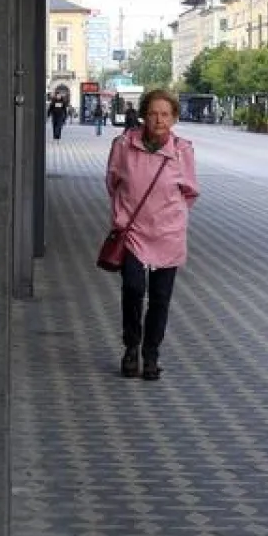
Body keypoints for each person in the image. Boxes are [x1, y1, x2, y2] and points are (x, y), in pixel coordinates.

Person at [105, 88, 200, 381]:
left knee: (160, 297)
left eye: (165, 114)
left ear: (173, 118)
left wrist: (174, 215)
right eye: (153, 113)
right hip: (133, 231)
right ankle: (131, 346)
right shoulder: (123, 144)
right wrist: (122, 215)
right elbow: (113, 182)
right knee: (133, 288)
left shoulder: (182, 150)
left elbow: (190, 191)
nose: (159, 119)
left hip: (168, 232)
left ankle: (151, 354)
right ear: (143, 115)